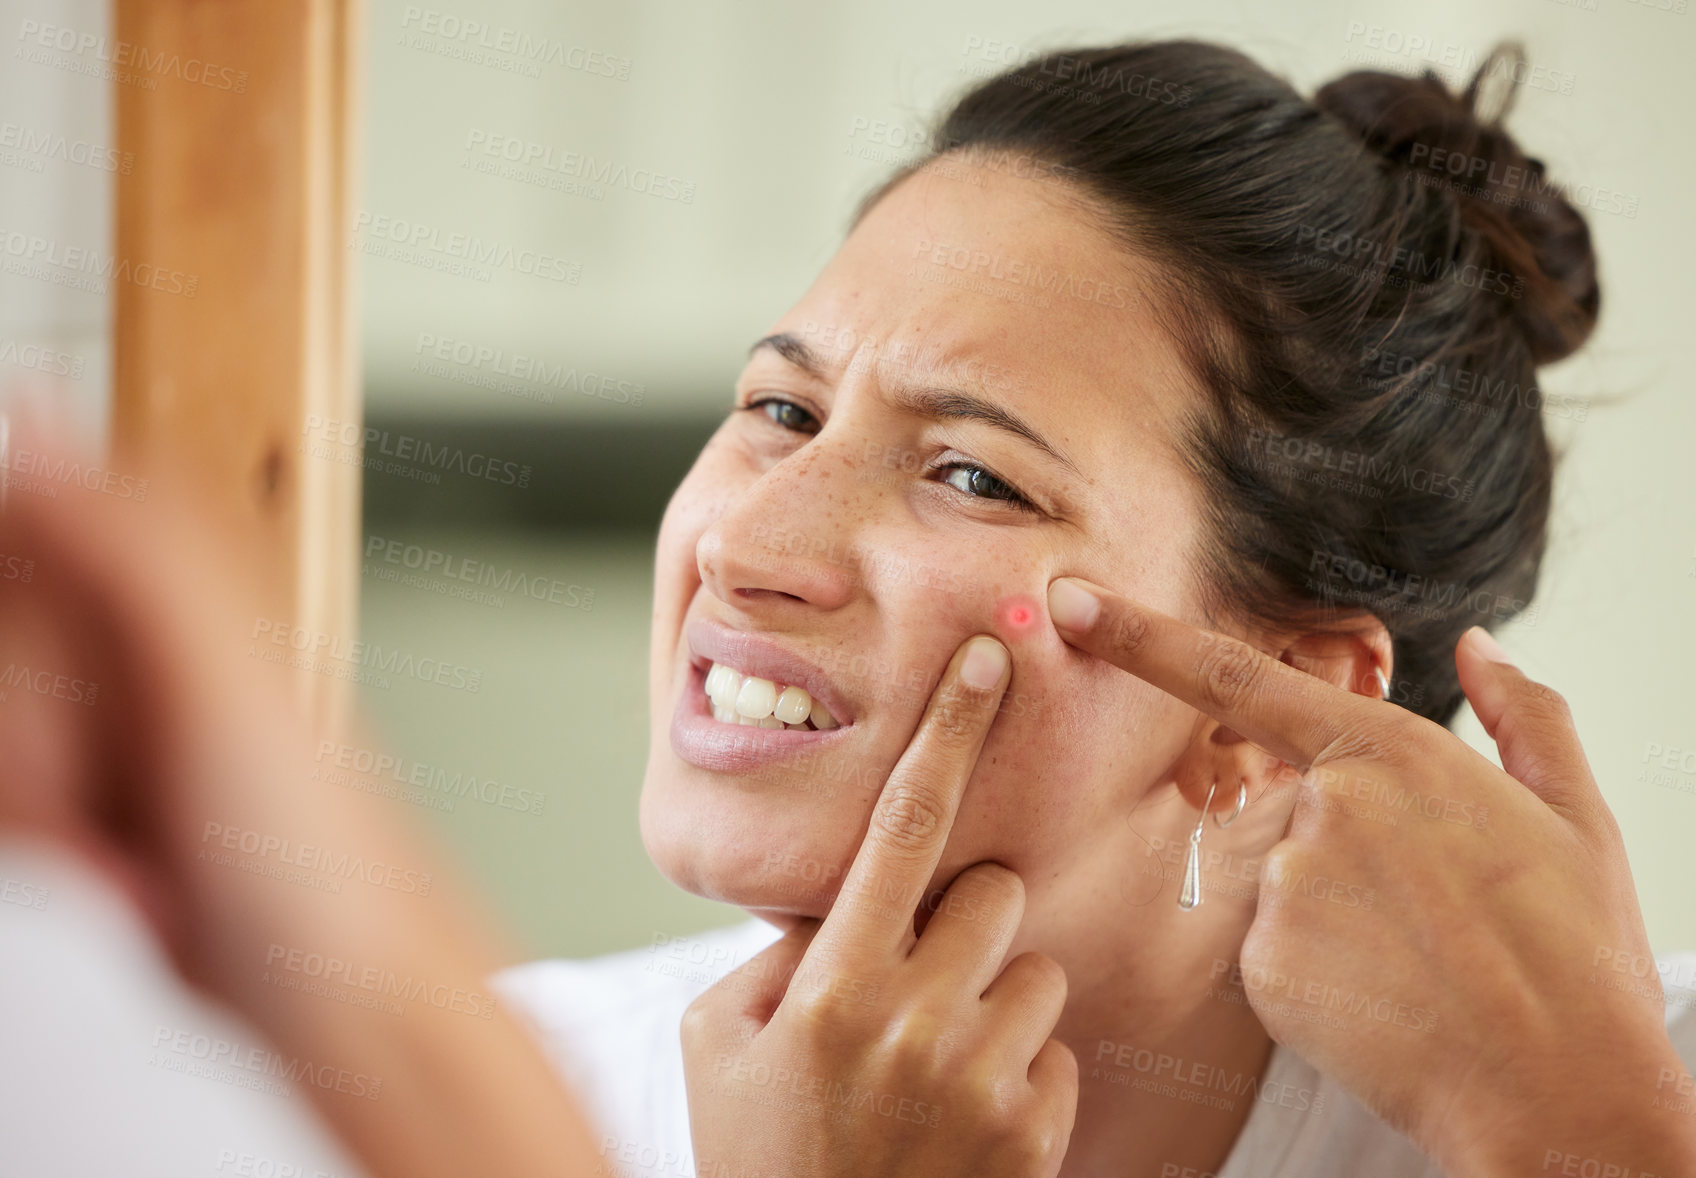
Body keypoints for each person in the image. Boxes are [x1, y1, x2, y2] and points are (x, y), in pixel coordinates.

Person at [493, 35, 1696, 1178]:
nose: (744, 544)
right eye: (782, 411)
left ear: (1274, 703)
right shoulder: (431, 1107)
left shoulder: (1638, 1099)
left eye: (972, 476)